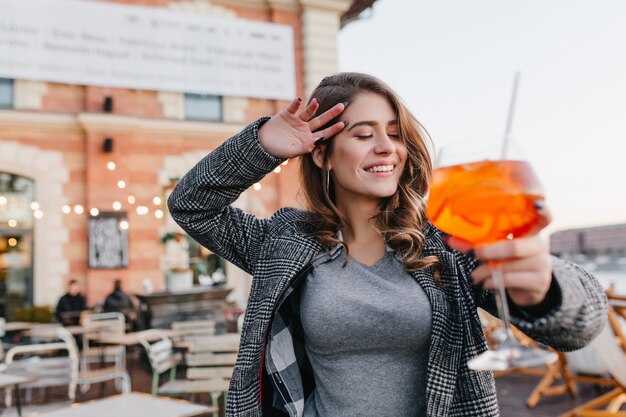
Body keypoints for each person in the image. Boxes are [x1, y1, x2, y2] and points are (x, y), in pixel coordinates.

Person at [168, 72, 607, 417]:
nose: (386, 148)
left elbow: (581, 326)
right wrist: (262, 146)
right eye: (363, 135)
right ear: (321, 153)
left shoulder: (446, 242)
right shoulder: (283, 241)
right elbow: (191, 205)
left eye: (395, 134)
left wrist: (545, 289)